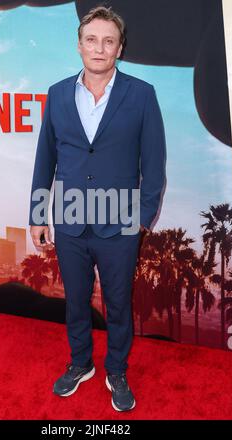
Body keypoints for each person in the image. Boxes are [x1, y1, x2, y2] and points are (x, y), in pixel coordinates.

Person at [29, 5, 166, 412]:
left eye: (108, 41)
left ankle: (117, 370)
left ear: (120, 48)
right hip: (69, 220)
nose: (99, 48)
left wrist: (140, 219)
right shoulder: (56, 94)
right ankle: (80, 363)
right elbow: (44, 159)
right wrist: (39, 214)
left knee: (119, 303)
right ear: (79, 45)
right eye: (92, 40)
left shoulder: (142, 95)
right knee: (75, 299)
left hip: (119, 223)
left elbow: (153, 164)